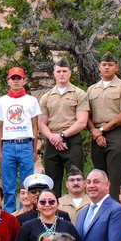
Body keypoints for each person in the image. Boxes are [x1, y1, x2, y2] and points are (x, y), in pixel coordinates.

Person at [0, 67, 42, 213]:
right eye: (13, 78)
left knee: (28, 183)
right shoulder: (2, 101)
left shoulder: (31, 100)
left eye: (18, 78)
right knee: (8, 184)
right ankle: (10, 214)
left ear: (24, 80)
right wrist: (1, 150)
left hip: (25, 144)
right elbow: (0, 127)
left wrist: (34, 149)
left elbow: (35, 126)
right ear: (8, 81)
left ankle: (26, 212)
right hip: (8, 145)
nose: (16, 81)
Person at [37, 58, 89, 196]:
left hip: (71, 140)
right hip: (52, 141)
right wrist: (53, 138)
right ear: (54, 73)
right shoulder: (46, 97)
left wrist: (62, 135)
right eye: (59, 71)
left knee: (76, 179)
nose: (62, 74)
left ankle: (77, 206)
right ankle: (53, 207)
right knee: (51, 182)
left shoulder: (79, 94)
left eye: (64, 71)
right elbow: (42, 123)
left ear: (70, 73)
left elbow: (82, 122)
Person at [87, 53, 121, 198]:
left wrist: (102, 129)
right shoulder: (92, 89)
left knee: (116, 174)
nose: (107, 67)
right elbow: (85, 113)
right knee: (99, 174)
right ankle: (100, 203)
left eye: (110, 65)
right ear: (99, 67)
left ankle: (116, 204)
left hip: (116, 132)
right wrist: (94, 131)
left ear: (117, 67)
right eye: (104, 65)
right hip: (96, 135)